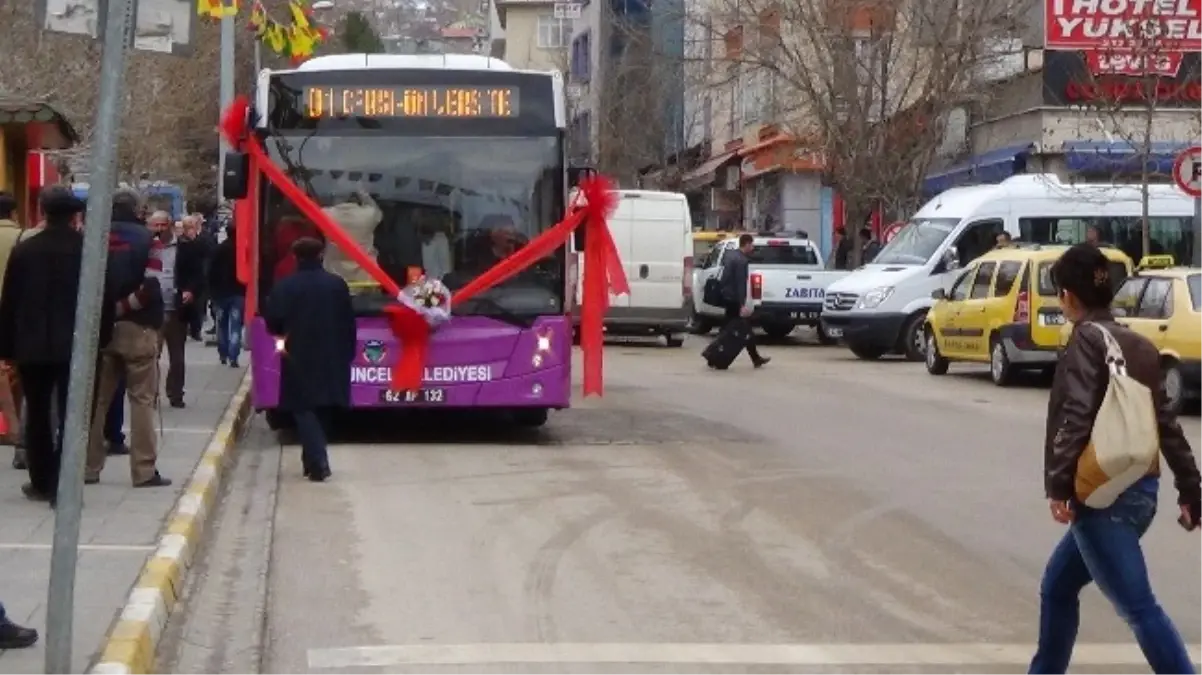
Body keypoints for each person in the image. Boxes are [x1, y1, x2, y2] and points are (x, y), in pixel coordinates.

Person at [1028, 243, 1202, 675]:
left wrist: (1059, 485)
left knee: (1139, 608)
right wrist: (1190, 488)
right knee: (1058, 586)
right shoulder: (1140, 346)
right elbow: (1167, 425)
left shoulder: (1085, 339)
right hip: (1141, 491)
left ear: (1068, 295)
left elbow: (1076, 416)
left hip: (1103, 497)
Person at [0, 187, 111, 505]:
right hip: (76, 347)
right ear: (76, 216)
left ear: (43, 213)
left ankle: (41, 479)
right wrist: (99, 341)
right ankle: (66, 477)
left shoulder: (25, 251)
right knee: (75, 415)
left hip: (33, 346)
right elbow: (103, 301)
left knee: (36, 412)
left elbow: (10, 302)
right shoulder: (89, 252)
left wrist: (7, 347)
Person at [85, 189, 171, 488]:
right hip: (139, 327)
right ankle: (144, 470)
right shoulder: (151, 242)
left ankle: (88, 466)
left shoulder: (93, 237)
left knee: (96, 401)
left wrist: (108, 312)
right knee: (142, 400)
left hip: (100, 329)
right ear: (137, 210)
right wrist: (123, 308)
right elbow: (152, 285)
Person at [265, 238, 355, 482]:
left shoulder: (285, 287)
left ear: (295, 257)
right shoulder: (337, 285)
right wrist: (348, 351)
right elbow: (349, 322)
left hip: (298, 353)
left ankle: (317, 462)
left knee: (303, 408)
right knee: (324, 407)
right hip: (331, 353)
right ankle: (313, 458)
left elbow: (272, 321)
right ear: (322, 254)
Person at [149, 211, 204, 408]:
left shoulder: (185, 248)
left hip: (176, 309)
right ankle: (151, 394)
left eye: (163, 225)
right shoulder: (147, 247)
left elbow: (197, 274)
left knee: (177, 356)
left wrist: (190, 290)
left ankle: (175, 392)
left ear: (170, 225)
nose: (159, 229)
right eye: (156, 225)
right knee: (151, 355)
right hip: (152, 309)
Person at [709, 234, 769, 370]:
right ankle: (714, 355)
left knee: (729, 329)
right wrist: (741, 304)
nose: (752, 248)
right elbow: (740, 284)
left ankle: (713, 356)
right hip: (735, 300)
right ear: (746, 244)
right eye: (751, 245)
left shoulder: (731, 256)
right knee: (742, 329)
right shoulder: (741, 261)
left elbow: (725, 278)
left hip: (728, 298)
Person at [0, 192, 23, 462]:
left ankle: (12, 426)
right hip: (14, 312)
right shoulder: (23, 238)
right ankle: (16, 427)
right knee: (15, 371)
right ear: (14, 214)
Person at [208, 220, 246, 367]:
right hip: (238, 292)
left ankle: (223, 352)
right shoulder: (242, 250)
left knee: (222, 324)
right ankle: (234, 354)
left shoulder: (219, 250)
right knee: (236, 325)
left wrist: (212, 292)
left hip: (221, 293)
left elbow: (211, 272)